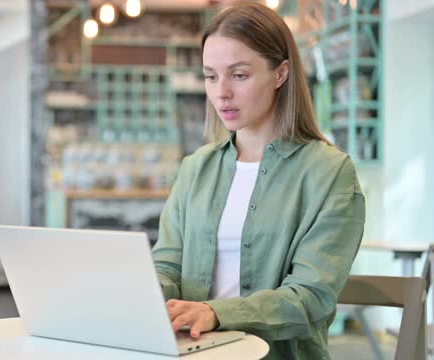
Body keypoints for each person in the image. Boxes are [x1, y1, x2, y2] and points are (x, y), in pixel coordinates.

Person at [151, 2, 365, 359]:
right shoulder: (196, 168)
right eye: (210, 76)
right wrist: (138, 294)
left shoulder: (330, 173)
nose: (222, 93)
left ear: (280, 74)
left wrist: (217, 313)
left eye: (239, 75)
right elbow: (168, 266)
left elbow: (310, 298)